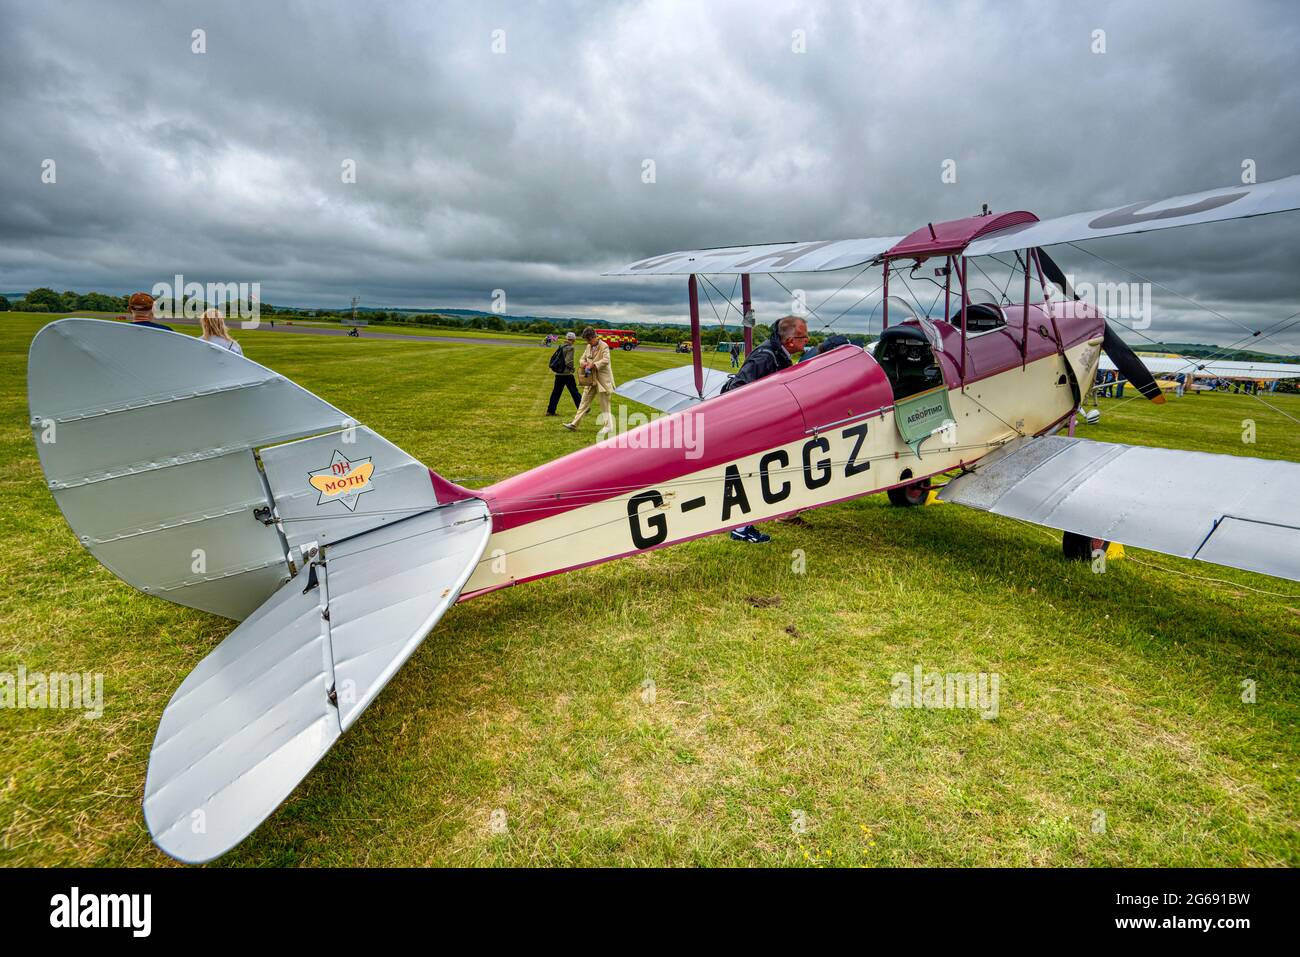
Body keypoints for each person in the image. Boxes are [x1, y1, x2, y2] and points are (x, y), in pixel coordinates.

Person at [719, 314, 809, 543]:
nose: (808, 340)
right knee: (752, 474)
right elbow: (738, 390)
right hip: (749, 428)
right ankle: (742, 527)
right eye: (804, 336)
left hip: (759, 428)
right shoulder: (766, 356)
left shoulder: (779, 353)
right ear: (790, 341)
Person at [563, 327, 615, 435]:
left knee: (604, 404)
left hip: (603, 380)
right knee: (584, 402)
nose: (588, 342)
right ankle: (574, 424)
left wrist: (594, 364)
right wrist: (584, 363)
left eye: (588, 340)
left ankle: (608, 426)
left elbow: (606, 360)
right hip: (591, 379)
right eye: (587, 340)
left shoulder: (604, 346)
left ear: (594, 337)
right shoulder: (588, 346)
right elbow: (582, 359)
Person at [546, 331, 581, 416]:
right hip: (567, 374)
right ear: (574, 339)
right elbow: (568, 361)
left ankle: (550, 411)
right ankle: (583, 409)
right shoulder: (570, 347)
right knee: (574, 391)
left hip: (559, 373)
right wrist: (572, 369)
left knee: (556, 392)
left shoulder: (561, 346)